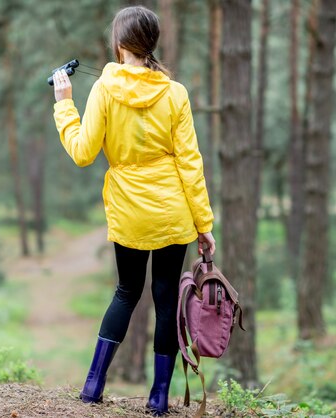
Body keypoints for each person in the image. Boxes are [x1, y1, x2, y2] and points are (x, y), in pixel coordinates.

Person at [52, 5, 215, 416]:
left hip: (129, 211)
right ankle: (158, 397)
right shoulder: (175, 93)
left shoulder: (105, 88)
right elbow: (189, 163)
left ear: (120, 43)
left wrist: (63, 103)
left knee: (126, 292)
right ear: (151, 44)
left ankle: (92, 386)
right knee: (165, 299)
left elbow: (84, 153)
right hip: (173, 212)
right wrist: (204, 224)